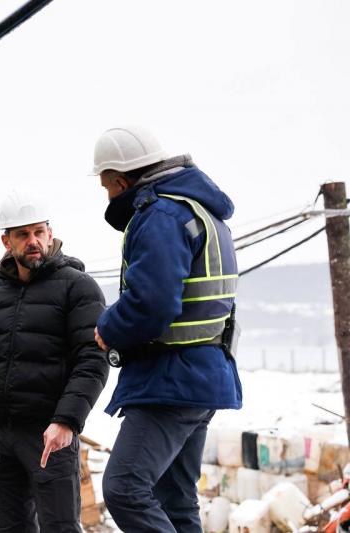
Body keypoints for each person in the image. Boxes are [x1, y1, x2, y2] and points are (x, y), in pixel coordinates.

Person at [91, 126, 243, 531]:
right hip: (203, 375)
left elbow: (152, 303)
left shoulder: (160, 215)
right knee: (175, 501)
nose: (108, 196)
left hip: (171, 380)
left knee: (125, 488)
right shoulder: (202, 212)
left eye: (106, 187)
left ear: (121, 181)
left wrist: (108, 327)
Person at [0, 191, 109, 533]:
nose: (33, 241)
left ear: (50, 233)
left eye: (39, 232)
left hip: (49, 434)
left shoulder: (78, 287)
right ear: (6, 241)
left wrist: (66, 421)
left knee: (60, 527)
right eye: (23, 234)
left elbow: (92, 360)